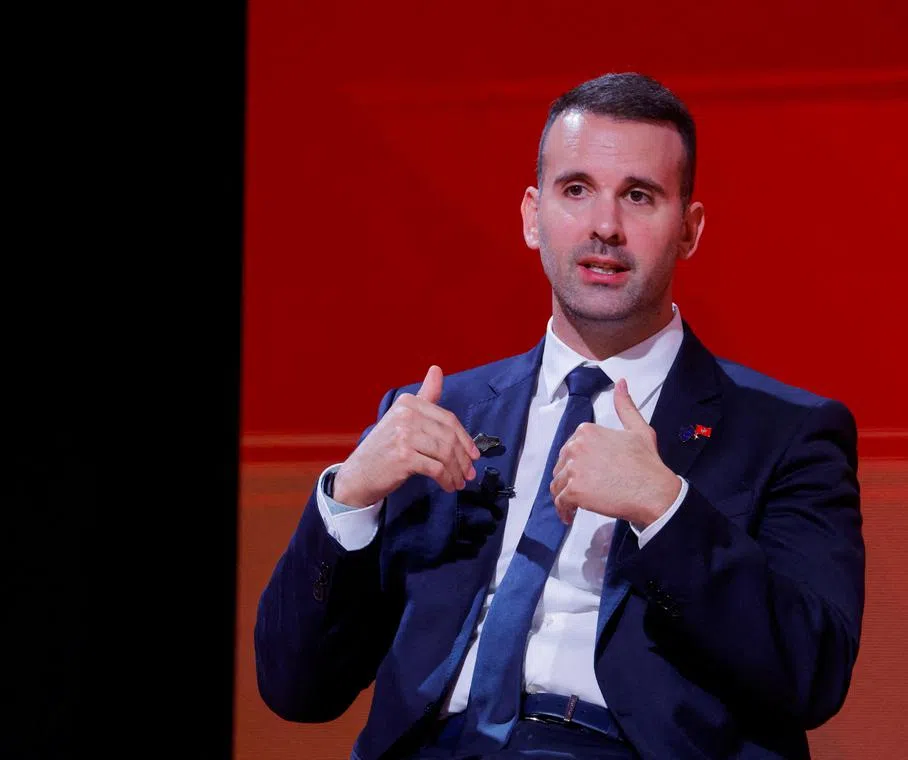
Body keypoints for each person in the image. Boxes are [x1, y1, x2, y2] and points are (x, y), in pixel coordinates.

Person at [255, 72, 865, 760]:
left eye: (639, 195)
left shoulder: (785, 432)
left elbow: (812, 672)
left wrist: (666, 510)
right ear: (530, 215)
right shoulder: (436, 414)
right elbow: (295, 689)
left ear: (690, 230)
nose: (605, 226)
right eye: (576, 190)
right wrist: (349, 500)